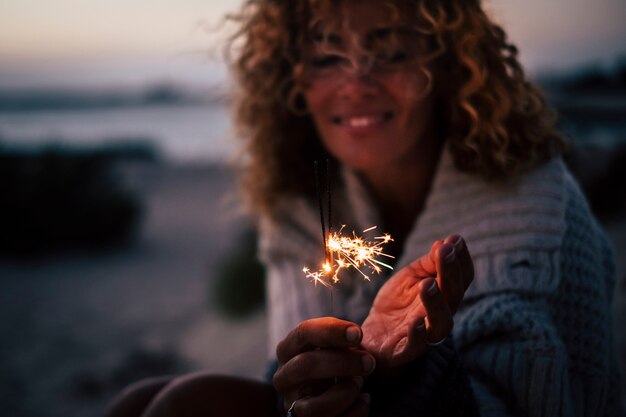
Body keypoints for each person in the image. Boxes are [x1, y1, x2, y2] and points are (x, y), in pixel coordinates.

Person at [107, 0, 624, 416]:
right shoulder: (298, 203)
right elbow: (289, 388)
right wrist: (318, 381)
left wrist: (405, 371)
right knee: (137, 402)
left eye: (392, 53)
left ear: (445, 63)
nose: (356, 83)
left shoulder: (534, 207)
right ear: (293, 80)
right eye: (328, 57)